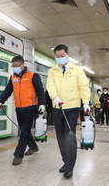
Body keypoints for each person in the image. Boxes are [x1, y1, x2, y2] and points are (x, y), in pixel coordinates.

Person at [46, 44, 90, 178]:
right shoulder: (52, 71)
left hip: (72, 107)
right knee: (60, 137)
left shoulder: (77, 70)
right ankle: (66, 162)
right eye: (57, 56)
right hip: (57, 107)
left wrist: (86, 102)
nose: (59, 58)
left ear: (68, 55)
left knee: (69, 135)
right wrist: (55, 97)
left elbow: (83, 86)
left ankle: (70, 167)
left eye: (62, 56)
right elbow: (50, 85)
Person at [0, 55, 45, 166]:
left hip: (31, 107)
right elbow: (7, 91)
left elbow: (40, 90)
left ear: (23, 65)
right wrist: (0, 101)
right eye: (13, 66)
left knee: (24, 130)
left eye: (17, 66)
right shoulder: (13, 78)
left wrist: (42, 103)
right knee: (24, 130)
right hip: (19, 108)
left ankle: (18, 155)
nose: (15, 68)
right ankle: (33, 146)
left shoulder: (33, 75)